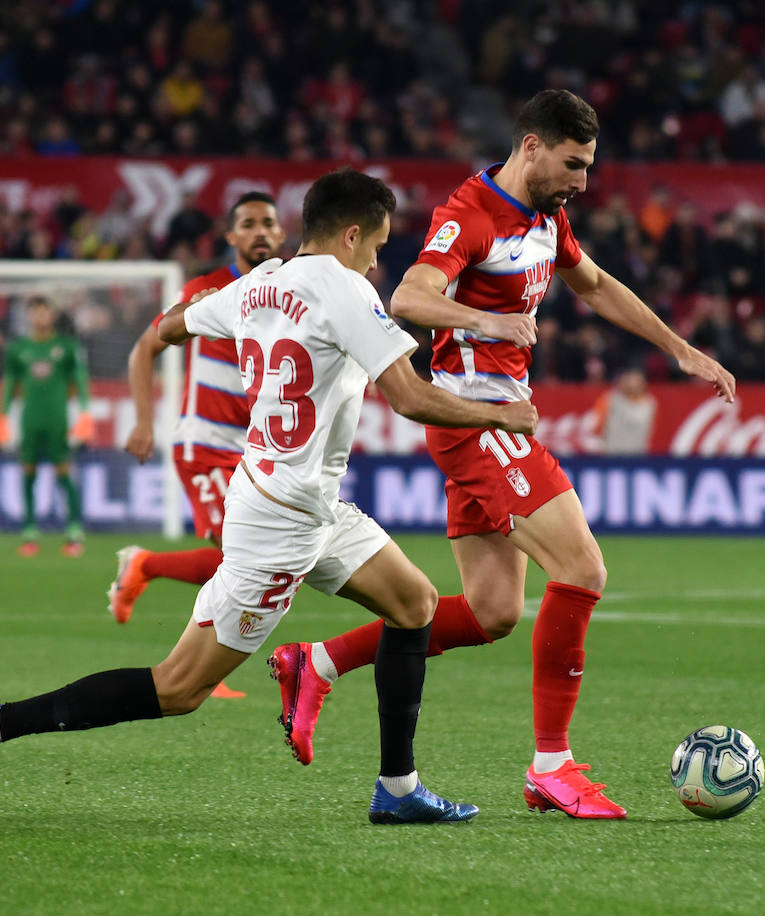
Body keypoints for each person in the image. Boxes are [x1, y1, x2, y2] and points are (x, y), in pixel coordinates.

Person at [0, 168, 539, 824]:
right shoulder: (346, 291)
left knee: (413, 603)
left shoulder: (253, 285)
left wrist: (158, 353)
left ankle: (397, 787)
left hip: (303, 499)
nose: (379, 260)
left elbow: (169, 329)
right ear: (353, 235)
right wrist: (502, 415)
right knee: (180, 687)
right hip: (280, 522)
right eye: (378, 246)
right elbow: (411, 397)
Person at [268, 90, 736, 819]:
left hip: (496, 424)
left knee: (493, 612)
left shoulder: (548, 216)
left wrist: (678, 349)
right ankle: (552, 765)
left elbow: (596, 284)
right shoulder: (471, 214)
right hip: (476, 422)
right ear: (531, 147)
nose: (583, 180)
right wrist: (488, 317)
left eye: (588, 166)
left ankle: (317, 661)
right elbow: (410, 300)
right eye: (573, 164)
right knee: (582, 569)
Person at [108, 191, 284, 699]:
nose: (259, 232)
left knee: (258, 559)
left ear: (281, 233)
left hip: (255, 452)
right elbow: (146, 348)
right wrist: (144, 421)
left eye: (267, 223)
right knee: (237, 555)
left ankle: (146, 567)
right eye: (247, 223)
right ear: (231, 237)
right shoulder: (206, 292)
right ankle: (196, 658)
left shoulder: (287, 293)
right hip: (204, 444)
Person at [0, 295, 92, 557]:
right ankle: (29, 529)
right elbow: (10, 382)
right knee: (28, 471)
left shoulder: (66, 346)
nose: (40, 316)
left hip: (57, 418)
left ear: (52, 315)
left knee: (64, 470)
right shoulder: (18, 348)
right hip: (30, 419)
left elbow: (80, 378)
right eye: (35, 311)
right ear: (29, 315)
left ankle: (73, 529)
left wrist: (84, 412)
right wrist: (2, 416)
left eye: (44, 311)